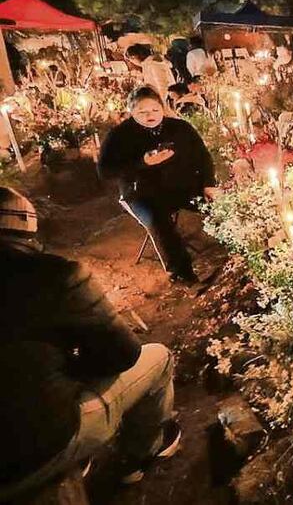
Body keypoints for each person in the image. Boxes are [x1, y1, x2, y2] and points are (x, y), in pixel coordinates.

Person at [0, 187, 180, 499]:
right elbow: (124, 354)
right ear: (27, 228)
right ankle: (140, 454)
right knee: (158, 357)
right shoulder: (53, 274)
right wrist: (73, 364)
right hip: (36, 447)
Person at [98, 87, 217, 284]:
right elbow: (105, 171)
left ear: (162, 108)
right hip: (141, 193)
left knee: (218, 205)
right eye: (142, 112)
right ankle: (183, 276)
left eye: (154, 110)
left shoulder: (179, 128)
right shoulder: (119, 136)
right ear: (131, 112)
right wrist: (142, 163)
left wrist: (208, 184)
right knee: (159, 223)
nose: (150, 116)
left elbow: (203, 156)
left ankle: (245, 246)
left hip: (181, 186)